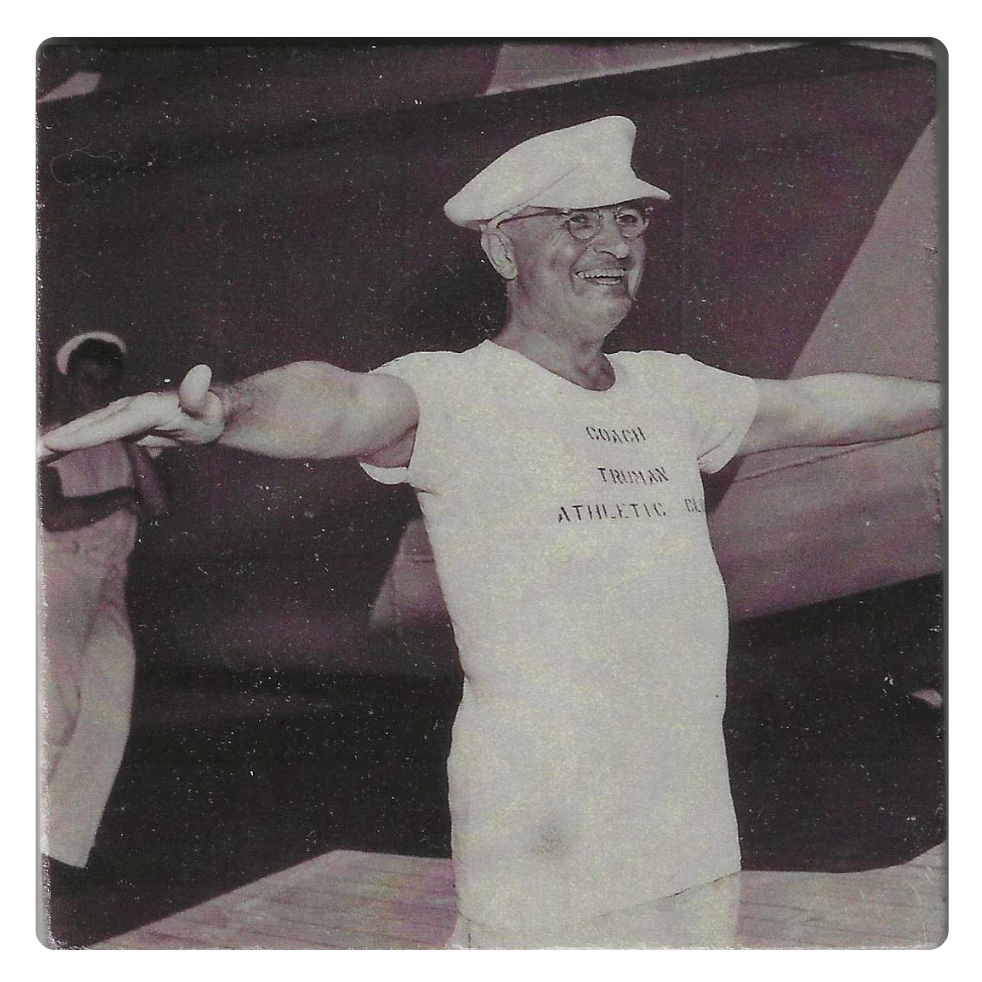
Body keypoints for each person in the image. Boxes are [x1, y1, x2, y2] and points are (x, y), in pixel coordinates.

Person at [39, 117, 941, 947]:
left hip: (688, 822)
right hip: (544, 834)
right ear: (505, 249)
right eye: (575, 224)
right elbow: (341, 401)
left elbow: (820, 405)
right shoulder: (454, 392)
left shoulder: (673, 389)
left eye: (628, 222)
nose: (612, 246)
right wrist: (227, 409)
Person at [39, 333, 168, 894]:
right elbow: (54, 516)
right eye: (89, 379)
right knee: (54, 711)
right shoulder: (41, 437)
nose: (98, 390)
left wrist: (133, 444)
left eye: (108, 380)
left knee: (109, 709)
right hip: (55, 575)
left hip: (109, 581)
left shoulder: (125, 444)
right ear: (70, 380)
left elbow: (158, 507)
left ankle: (60, 850)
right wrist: (118, 499)